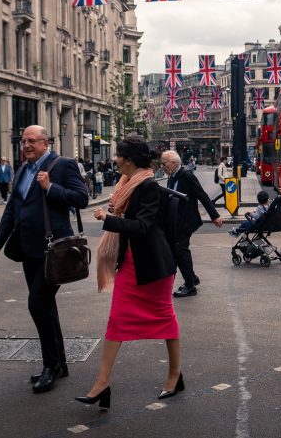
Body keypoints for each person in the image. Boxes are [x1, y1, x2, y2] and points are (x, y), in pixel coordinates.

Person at [72, 137, 185, 410]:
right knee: (117, 320)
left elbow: (144, 226)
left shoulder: (147, 187)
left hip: (153, 265)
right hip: (131, 263)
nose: (116, 160)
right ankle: (102, 384)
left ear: (130, 160)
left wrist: (108, 219)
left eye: (119, 156)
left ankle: (174, 375)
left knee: (165, 319)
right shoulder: (125, 185)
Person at [0, 125, 90, 394]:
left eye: (32, 141)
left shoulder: (63, 165)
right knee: (46, 305)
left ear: (46, 142)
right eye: (24, 141)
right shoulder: (22, 170)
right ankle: (60, 362)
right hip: (29, 250)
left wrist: (51, 187)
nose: (27, 145)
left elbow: (81, 199)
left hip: (53, 248)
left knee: (37, 303)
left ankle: (50, 366)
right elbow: (12, 209)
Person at [160, 151, 224, 297]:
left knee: (181, 251)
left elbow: (202, 195)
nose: (162, 166)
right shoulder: (172, 176)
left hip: (185, 221)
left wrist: (215, 215)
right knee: (176, 251)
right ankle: (192, 278)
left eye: (164, 163)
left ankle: (190, 285)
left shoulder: (187, 176)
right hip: (174, 221)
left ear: (173, 163)